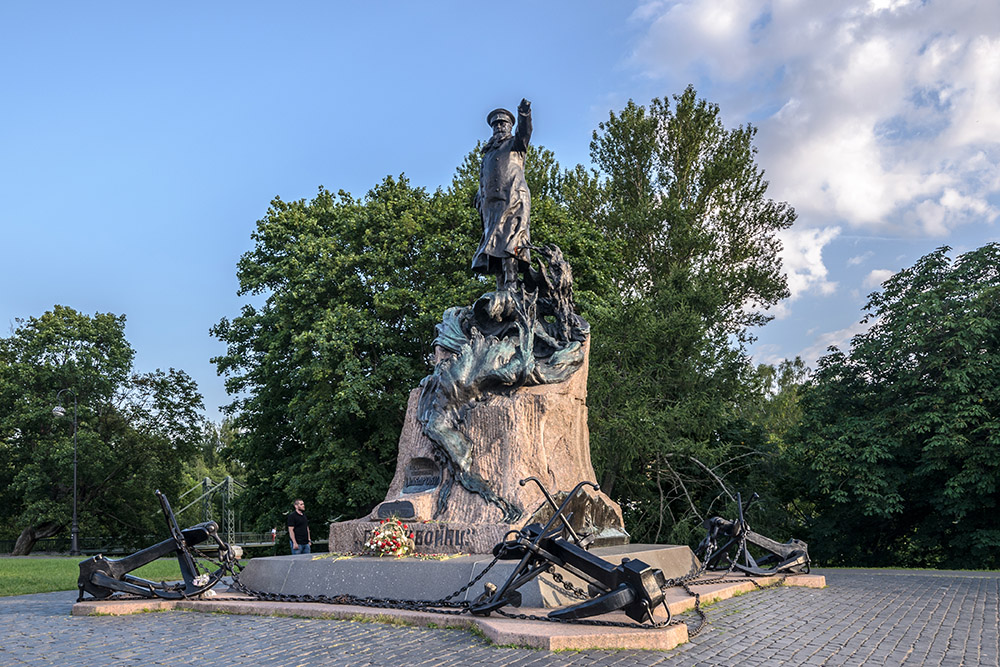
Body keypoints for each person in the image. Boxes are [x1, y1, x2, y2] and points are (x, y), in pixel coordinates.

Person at [472, 98, 532, 290]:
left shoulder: (516, 144)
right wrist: (479, 196)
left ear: (509, 126)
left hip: (513, 199)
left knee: (510, 240)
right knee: (493, 244)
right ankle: (500, 286)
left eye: (502, 123)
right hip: (492, 205)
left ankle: (511, 283)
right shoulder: (488, 153)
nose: (499, 127)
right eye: (496, 124)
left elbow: (525, 132)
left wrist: (524, 114)